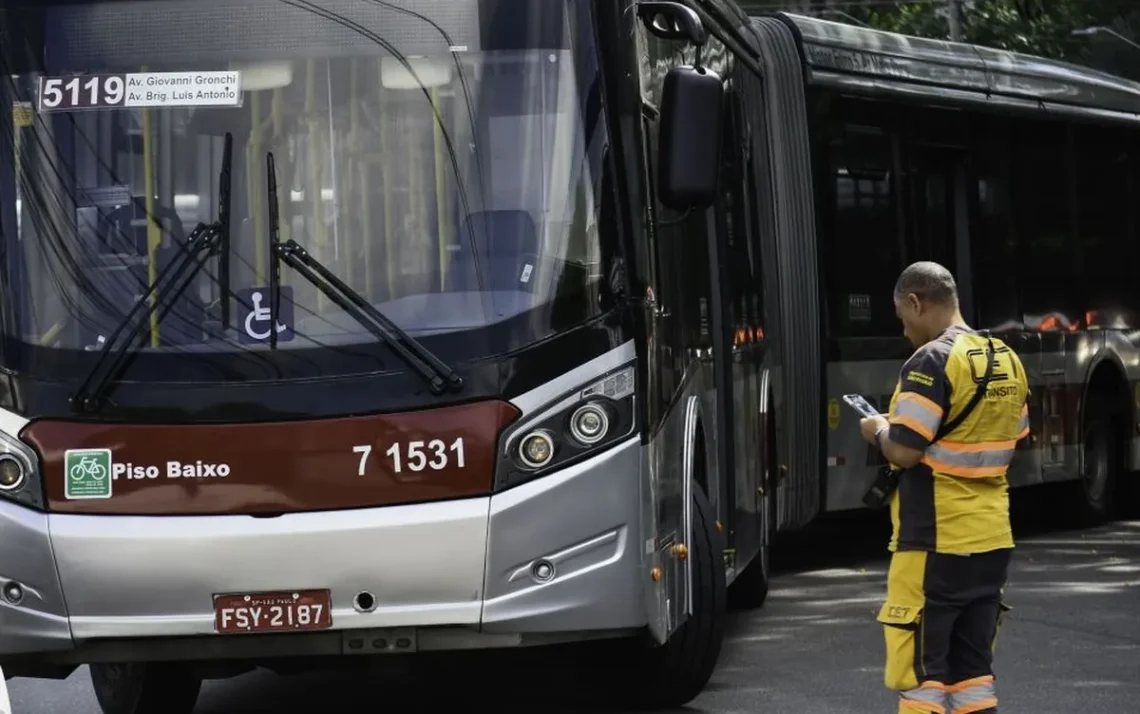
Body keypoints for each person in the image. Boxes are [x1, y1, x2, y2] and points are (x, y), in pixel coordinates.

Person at [859, 261, 1029, 714]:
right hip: (992, 539)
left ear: (916, 303)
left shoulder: (931, 360)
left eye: (903, 317)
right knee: (973, 675)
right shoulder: (1006, 358)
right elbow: (1017, 435)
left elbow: (905, 451)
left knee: (921, 677)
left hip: (935, 540)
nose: (905, 329)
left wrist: (877, 429)